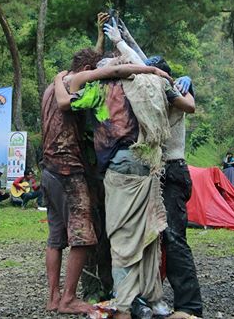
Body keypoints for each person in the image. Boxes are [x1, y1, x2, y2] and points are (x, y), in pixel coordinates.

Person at [55, 22, 193, 319]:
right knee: (148, 234)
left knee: (121, 236)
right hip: (150, 167)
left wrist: (71, 78)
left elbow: (69, 99)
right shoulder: (151, 84)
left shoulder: (103, 89)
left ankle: (128, 303)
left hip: (119, 166)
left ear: (111, 69)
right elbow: (179, 96)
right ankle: (155, 299)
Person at [42, 43, 169, 316]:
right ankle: (145, 298)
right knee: (119, 235)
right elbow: (121, 70)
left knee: (65, 237)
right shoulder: (143, 85)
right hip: (90, 169)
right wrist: (150, 68)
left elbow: (72, 93)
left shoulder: (57, 87)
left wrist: (59, 75)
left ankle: (59, 298)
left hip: (52, 170)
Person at [146, 56, 203, 319]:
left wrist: (186, 83)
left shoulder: (173, 92)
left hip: (173, 168)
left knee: (174, 237)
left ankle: (190, 306)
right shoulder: (151, 94)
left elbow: (189, 105)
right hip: (159, 171)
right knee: (155, 237)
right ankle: (150, 297)